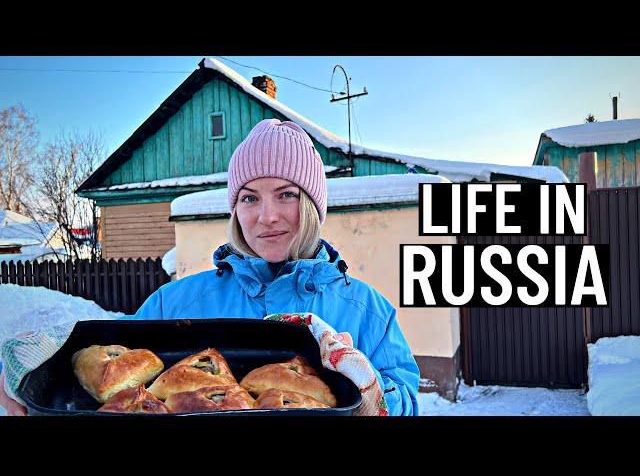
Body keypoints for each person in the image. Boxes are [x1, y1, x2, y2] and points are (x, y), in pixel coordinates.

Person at [0, 119, 420, 416]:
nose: (266, 216)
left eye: (287, 194)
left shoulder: (368, 310)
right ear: (234, 209)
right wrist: (28, 372)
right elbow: (112, 372)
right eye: (249, 198)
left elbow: (407, 399)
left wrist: (375, 400)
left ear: (313, 205)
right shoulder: (176, 302)